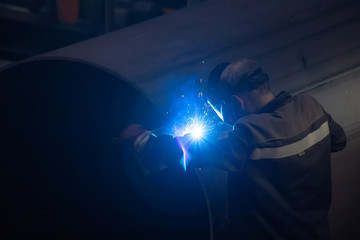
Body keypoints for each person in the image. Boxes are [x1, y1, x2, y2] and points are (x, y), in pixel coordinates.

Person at [120, 59, 346, 239]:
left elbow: (184, 149)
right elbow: (338, 141)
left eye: (217, 110)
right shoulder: (310, 106)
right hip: (315, 232)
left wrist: (141, 140)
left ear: (236, 102)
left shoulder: (249, 133)